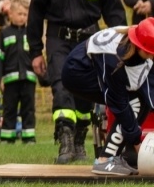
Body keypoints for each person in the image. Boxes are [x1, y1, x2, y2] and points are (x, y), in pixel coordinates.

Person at [28, 0, 126, 164]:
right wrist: (35, 51)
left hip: (90, 39)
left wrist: (122, 42)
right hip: (58, 38)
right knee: (61, 85)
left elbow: (113, 7)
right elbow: (35, 14)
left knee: (86, 89)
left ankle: (81, 134)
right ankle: (65, 137)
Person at [62, 20, 154, 175]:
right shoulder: (115, 59)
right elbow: (118, 103)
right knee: (130, 102)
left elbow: (150, 91)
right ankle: (105, 160)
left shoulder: (141, 46)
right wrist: (138, 141)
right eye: (150, 52)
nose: (152, 56)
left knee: (143, 99)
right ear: (139, 46)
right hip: (78, 73)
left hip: (96, 68)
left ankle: (129, 155)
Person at [0, 0, 37, 144]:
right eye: (20, 14)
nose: (23, 17)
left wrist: (43, 75)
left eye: (25, 14)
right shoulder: (4, 33)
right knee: (9, 109)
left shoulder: (32, 32)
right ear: (11, 15)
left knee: (28, 109)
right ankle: (7, 137)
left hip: (28, 78)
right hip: (10, 80)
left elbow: (37, 55)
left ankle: (29, 137)